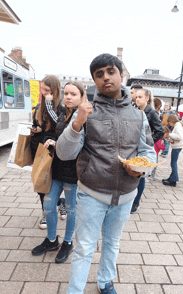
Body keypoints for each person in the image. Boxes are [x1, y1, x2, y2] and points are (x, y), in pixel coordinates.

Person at [56, 53, 156, 294]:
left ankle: (105, 282)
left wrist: (141, 168)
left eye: (111, 71)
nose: (105, 78)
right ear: (94, 80)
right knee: (84, 247)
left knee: (112, 244)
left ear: (122, 75)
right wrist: (77, 123)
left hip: (125, 195)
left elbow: (148, 151)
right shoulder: (86, 111)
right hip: (92, 194)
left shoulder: (139, 115)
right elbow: (64, 153)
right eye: (99, 74)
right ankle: (75, 290)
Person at [32, 81, 85, 263]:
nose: (69, 97)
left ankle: (68, 243)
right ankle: (52, 240)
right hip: (55, 169)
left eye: (74, 94)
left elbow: (79, 144)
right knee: (48, 206)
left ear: (82, 97)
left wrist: (58, 143)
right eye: (66, 93)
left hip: (72, 173)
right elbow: (54, 133)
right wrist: (48, 139)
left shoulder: (82, 117)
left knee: (71, 211)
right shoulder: (63, 112)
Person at [31, 75, 66, 229]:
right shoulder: (40, 106)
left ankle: (59, 203)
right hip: (40, 149)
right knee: (40, 183)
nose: (44, 93)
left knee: (52, 184)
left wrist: (50, 105)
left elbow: (60, 125)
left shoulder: (63, 108)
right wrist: (36, 129)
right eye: (42, 90)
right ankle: (45, 212)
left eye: (47, 90)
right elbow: (38, 124)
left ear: (55, 90)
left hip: (55, 150)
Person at [131, 89, 164, 213]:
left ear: (147, 98)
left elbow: (160, 131)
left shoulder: (152, 112)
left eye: (140, 97)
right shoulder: (134, 109)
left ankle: (136, 202)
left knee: (141, 175)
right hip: (134, 147)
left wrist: (149, 141)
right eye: (136, 97)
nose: (137, 99)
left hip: (145, 148)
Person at [162, 114, 183, 187]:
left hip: (177, 147)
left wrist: (170, 134)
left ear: (172, 121)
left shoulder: (177, 126)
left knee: (173, 163)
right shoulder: (178, 125)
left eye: (169, 122)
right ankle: (171, 178)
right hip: (177, 146)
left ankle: (174, 180)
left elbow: (179, 137)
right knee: (173, 163)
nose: (169, 124)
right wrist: (171, 140)